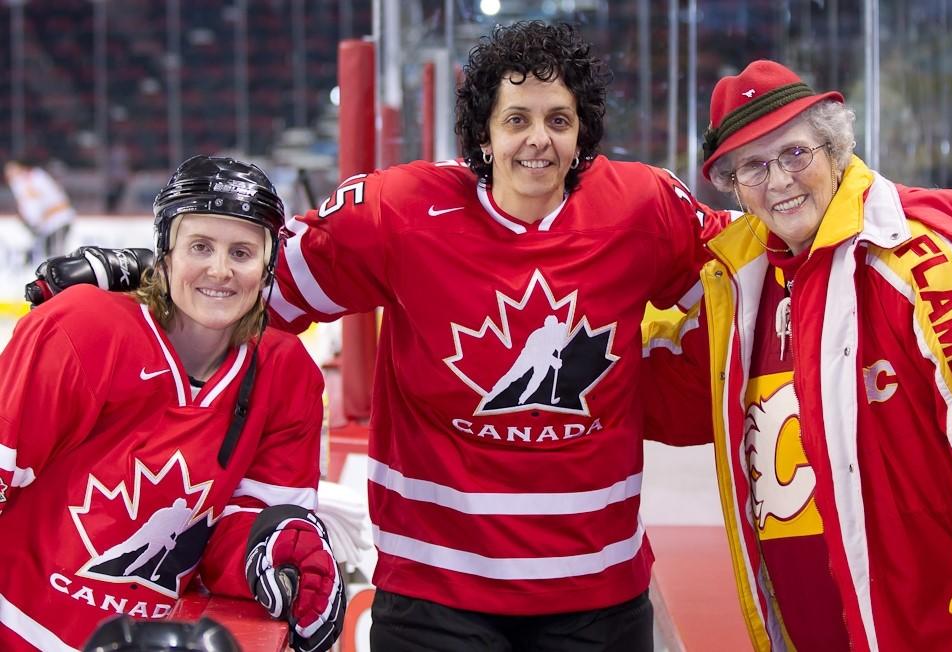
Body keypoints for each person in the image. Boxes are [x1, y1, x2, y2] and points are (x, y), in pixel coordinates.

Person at [26, 22, 726, 651]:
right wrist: (139, 277)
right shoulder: (400, 211)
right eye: (516, 119)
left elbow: (742, 276)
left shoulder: (642, 207)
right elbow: (255, 286)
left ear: (583, 134)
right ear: (482, 134)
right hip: (436, 601)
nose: (537, 139)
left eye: (558, 120)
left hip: (597, 596)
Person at [643, 59, 952, 651]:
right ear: (735, 187)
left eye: (796, 154)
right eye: (753, 166)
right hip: (806, 620)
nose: (780, 181)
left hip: (930, 617)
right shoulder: (741, 283)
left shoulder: (918, 256)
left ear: (835, 148)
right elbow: (677, 395)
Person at [0, 156, 345, 652]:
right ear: (164, 253)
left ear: (269, 265)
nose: (221, 270)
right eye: (200, 247)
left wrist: (273, 552)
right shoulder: (81, 329)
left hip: (141, 640)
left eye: (242, 252)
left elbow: (235, 528)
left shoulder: (285, 373)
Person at [3, 158, 75, 264]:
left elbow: (59, 202)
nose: (9, 173)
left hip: (56, 223)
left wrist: (44, 217)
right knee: (42, 256)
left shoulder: (37, 177)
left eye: (12, 169)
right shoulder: (18, 183)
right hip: (41, 227)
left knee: (54, 257)